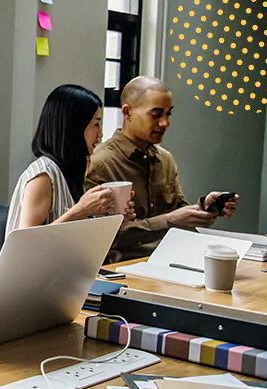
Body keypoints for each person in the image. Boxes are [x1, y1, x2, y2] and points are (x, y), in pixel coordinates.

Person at [86, 76, 239, 262]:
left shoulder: (164, 159)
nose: (165, 123)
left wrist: (204, 207)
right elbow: (102, 236)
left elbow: (177, 210)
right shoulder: (99, 163)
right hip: (123, 268)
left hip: (170, 260)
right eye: (156, 114)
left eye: (168, 114)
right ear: (127, 113)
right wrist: (169, 221)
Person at [6, 84, 135, 236]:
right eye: (96, 124)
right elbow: (25, 243)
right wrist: (81, 210)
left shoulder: (74, 168)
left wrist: (115, 219)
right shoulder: (43, 176)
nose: (100, 134)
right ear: (73, 127)